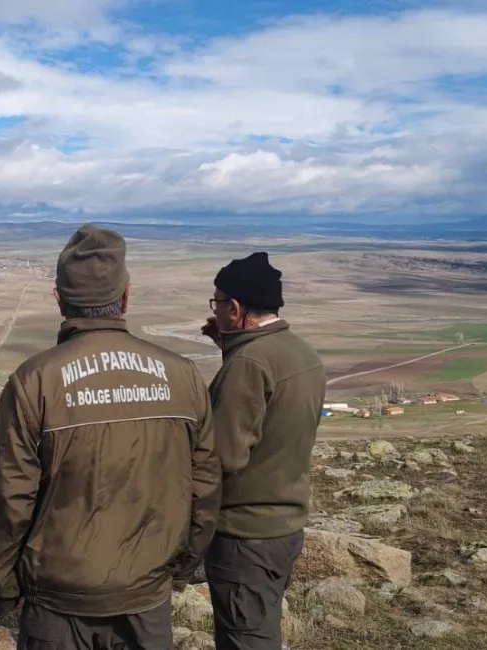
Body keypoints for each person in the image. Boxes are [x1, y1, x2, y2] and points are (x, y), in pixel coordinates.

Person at [0, 223, 221, 650]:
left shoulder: (34, 380)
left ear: (59, 299)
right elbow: (205, 484)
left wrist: (1, 588)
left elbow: (8, 496)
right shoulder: (182, 375)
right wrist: (181, 567)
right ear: (125, 296)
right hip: (147, 592)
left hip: (58, 599)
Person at [199, 251, 326, 650]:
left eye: (218, 303)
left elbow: (222, 457)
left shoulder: (250, 364)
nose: (215, 310)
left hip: (244, 536)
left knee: (247, 640)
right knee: (259, 629)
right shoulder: (301, 353)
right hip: (283, 528)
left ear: (234, 308)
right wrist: (230, 347)